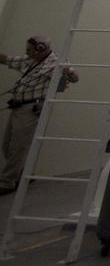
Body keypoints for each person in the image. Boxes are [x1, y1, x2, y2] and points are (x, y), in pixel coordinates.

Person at [0, 36, 78, 194]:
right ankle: (23, 175)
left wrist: (67, 74)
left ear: (40, 49)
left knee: (18, 147)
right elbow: (8, 60)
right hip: (18, 107)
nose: (26, 52)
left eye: (29, 50)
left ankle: (7, 182)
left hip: (31, 109)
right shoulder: (31, 60)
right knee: (8, 145)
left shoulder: (56, 63)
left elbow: (73, 78)